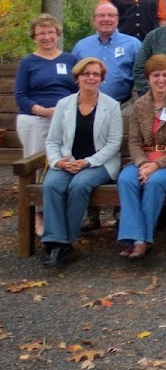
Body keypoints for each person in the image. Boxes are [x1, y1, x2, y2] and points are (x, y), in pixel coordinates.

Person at [39, 58, 123, 267]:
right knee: (51, 185)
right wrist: (58, 162)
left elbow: (113, 143)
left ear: (102, 79)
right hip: (67, 161)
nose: (91, 78)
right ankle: (59, 242)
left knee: (79, 185)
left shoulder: (111, 106)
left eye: (96, 74)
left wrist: (87, 162)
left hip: (99, 163)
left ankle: (63, 241)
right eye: (86, 73)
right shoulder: (64, 104)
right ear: (77, 77)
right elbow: (52, 140)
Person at [116, 54, 166, 259]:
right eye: (156, 75)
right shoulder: (140, 105)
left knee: (154, 183)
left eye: (165, 75)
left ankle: (143, 240)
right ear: (148, 78)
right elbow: (133, 141)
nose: (161, 80)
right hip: (143, 159)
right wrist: (142, 163)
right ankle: (134, 237)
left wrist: (157, 165)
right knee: (125, 179)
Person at [17, 14, 80, 160]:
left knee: (67, 159)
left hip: (66, 117)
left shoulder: (70, 60)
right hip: (35, 119)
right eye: (41, 33)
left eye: (50, 32)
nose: (47, 37)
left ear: (57, 35)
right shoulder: (27, 62)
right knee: (35, 163)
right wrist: (43, 111)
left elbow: (79, 90)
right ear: (34, 37)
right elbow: (21, 96)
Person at [72, 3, 141, 104]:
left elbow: (143, 75)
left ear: (117, 20)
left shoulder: (133, 45)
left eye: (111, 15)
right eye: (101, 15)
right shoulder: (81, 47)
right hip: (87, 105)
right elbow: (73, 77)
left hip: (123, 106)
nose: (106, 19)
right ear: (94, 20)